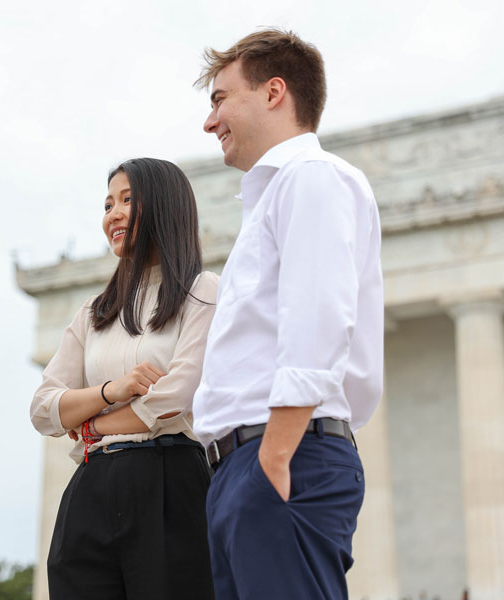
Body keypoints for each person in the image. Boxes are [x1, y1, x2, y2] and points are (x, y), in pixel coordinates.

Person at [191, 29, 384, 600]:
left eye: (220, 99)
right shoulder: (274, 197)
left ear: (274, 92)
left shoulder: (312, 178)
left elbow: (319, 318)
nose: (210, 121)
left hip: (281, 458)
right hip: (246, 467)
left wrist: (273, 457)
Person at [30, 158, 218, 600]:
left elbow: (177, 394)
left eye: (127, 200)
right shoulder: (93, 313)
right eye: (108, 203)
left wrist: (91, 423)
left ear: (165, 206)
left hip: (170, 480)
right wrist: (110, 391)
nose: (112, 214)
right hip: (91, 486)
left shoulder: (202, 290)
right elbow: (42, 409)